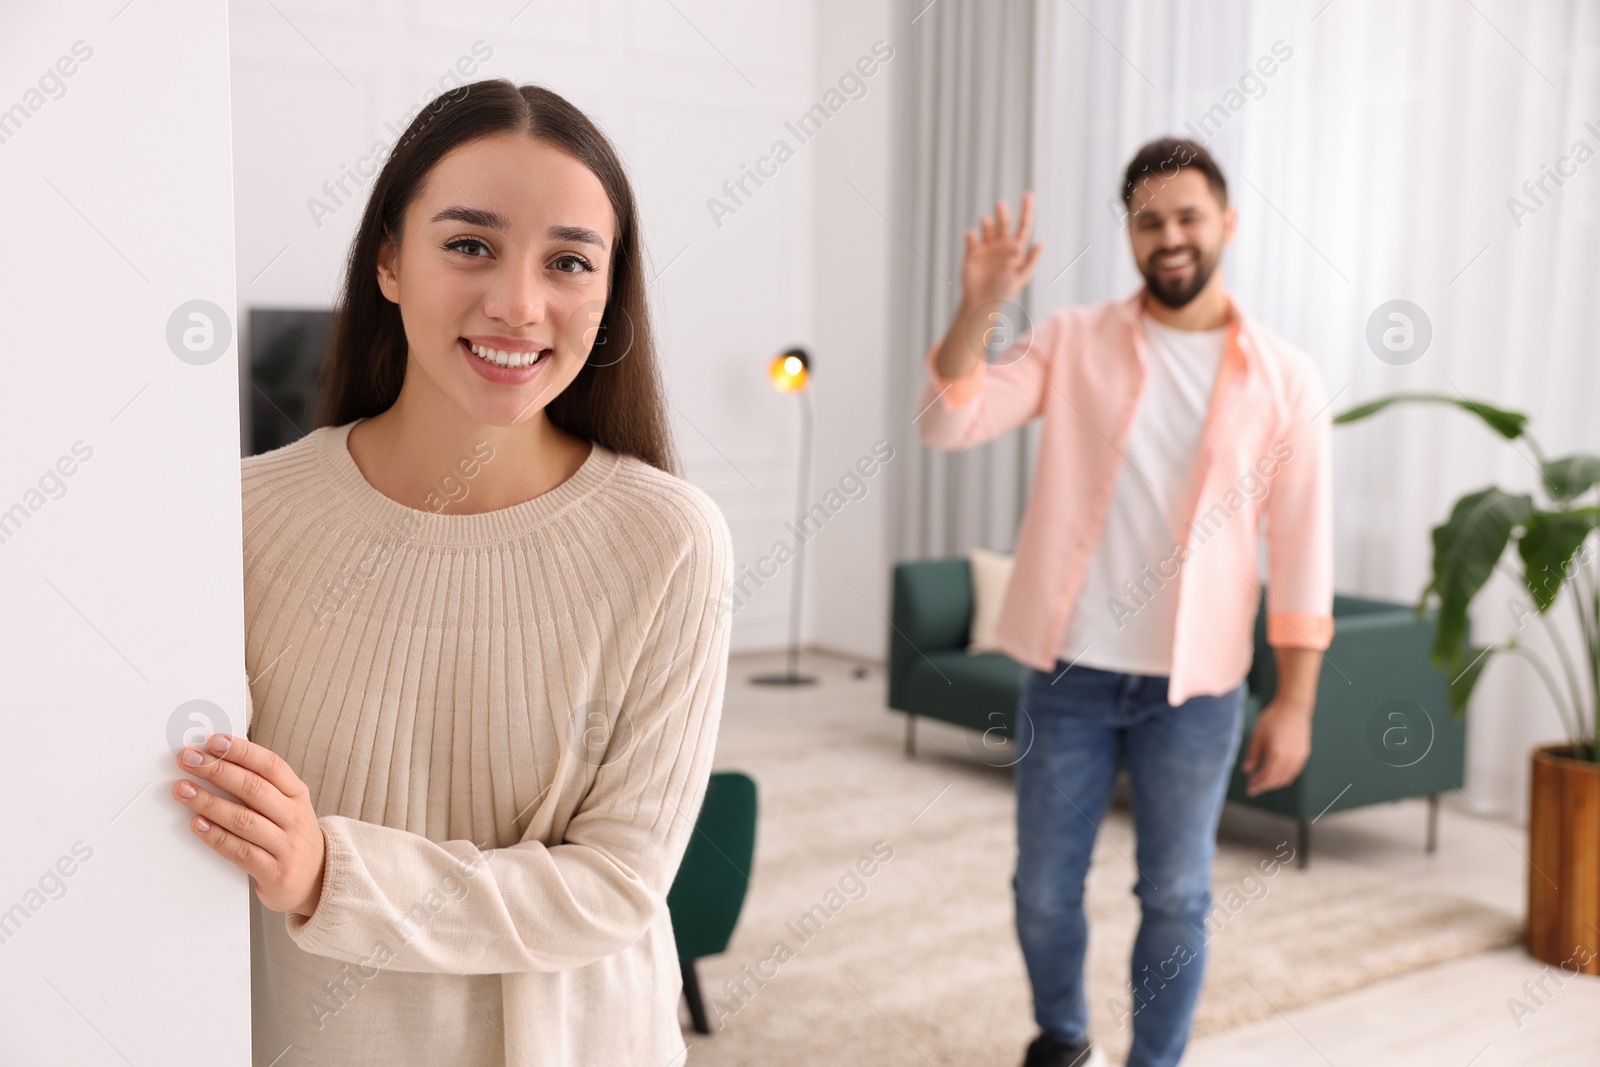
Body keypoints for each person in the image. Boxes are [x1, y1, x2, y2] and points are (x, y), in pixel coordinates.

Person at [167, 80, 734, 1066]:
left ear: (608, 293)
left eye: (568, 261)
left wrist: (328, 871)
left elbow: (614, 884)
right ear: (388, 258)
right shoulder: (242, 517)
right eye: (468, 244)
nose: (518, 303)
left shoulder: (671, 539)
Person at [917, 137, 1333, 1067]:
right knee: (1044, 890)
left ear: (1226, 223)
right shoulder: (1072, 337)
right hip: (1068, 672)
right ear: (1131, 234)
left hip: (1198, 690)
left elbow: (1306, 548)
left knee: (1177, 894)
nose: (1170, 236)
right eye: (1150, 220)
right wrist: (980, 305)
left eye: (1188, 216)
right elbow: (949, 420)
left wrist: (1296, 699)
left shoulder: (1287, 378)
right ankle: (1063, 1038)